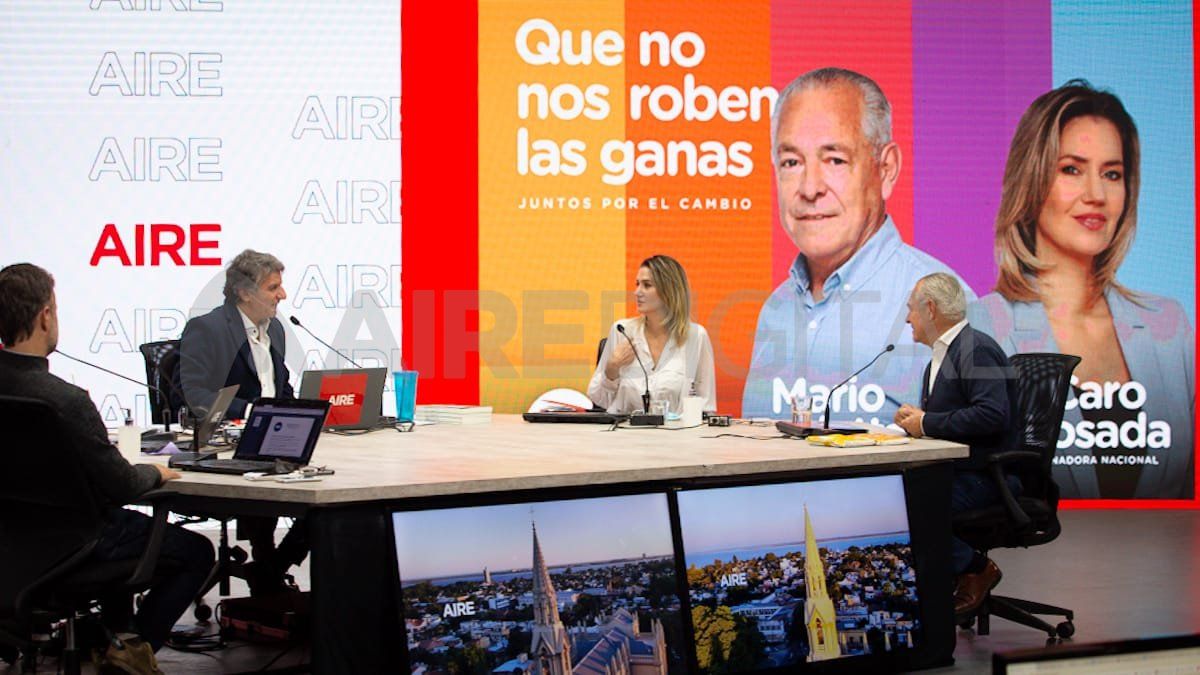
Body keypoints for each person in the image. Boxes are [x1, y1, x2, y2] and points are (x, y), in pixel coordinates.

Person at [968, 81, 1194, 500]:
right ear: (1032, 180)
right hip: (1042, 560)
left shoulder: (1170, 325)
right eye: (1071, 169)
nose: (1096, 195)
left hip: (1163, 559)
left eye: (1112, 174)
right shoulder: (984, 325)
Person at [0, 263, 215, 669]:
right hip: (79, 544)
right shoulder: (65, 401)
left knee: (125, 528)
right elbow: (123, 485)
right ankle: (128, 650)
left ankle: (111, 635)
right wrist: (158, 473)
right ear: (46, 315)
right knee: (197, 551)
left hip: (14, 546)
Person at [742, 67, 971, 424]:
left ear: (886, 169)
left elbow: (976, 465)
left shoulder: (942, 302)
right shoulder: (776, 308)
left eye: (834, 159)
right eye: (791, 162)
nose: (809, 188)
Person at [178, 249, 306, 594]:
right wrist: (252, 413)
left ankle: (272, 568)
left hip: (276, 440)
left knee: (328, 495)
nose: (282, 295)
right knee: (263, 477)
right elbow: (197, 396)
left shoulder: (276, 330)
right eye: (273, 287)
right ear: (245, 292)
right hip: (229, 448)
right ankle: (269, 570)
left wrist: (305, 413)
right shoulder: (206, 328)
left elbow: (282, 387)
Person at [893, 273, 1020, 618]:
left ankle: (975, 568)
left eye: (911, 310)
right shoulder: (945, 354)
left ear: (930, 309)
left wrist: (927, 422)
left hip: (986, 476)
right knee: (898, 496)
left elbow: (993, 416)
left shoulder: (975, 349)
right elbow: (952, 417)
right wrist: (916, 420)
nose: (907, 319)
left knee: (905, 506)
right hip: (959, 470)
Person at [588, 255, 717, 415]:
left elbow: (706, 405)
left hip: (677, 435)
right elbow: (600, 400)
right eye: (637, 284)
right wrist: (612, 368)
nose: (637, 292)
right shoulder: (622, 331)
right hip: (624, 434)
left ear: (669, 290)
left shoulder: (696, 337)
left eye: (647, 285)